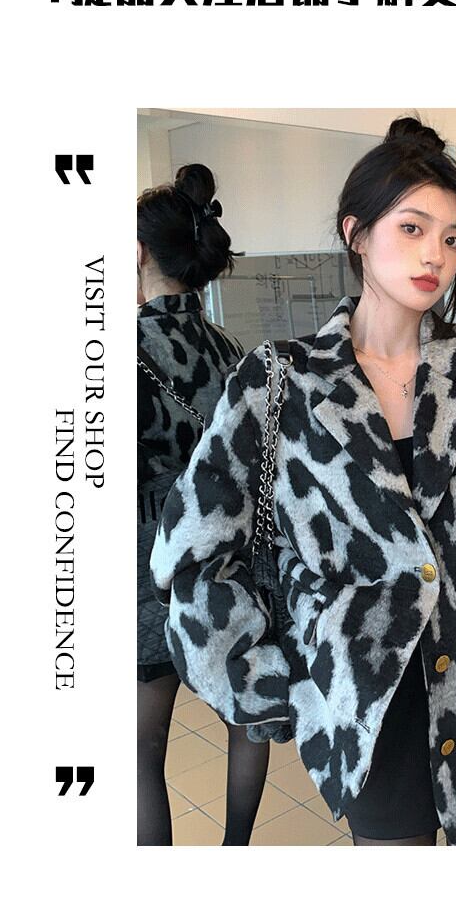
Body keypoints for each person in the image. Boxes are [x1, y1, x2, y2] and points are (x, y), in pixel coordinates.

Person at [151, 118, 456, 846]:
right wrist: (275, 685)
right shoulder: (282, 381)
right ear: (356, 234)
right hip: (370, 720)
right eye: (412, 228)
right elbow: (191, 552)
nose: (435, 255)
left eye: (453, 239)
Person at [137, 163, 270, 845]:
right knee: (246, 718)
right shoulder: (234, 351)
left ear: (137, 254)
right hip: (227, 562)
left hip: (148, 571)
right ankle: (234, 855)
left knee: (141, 750)